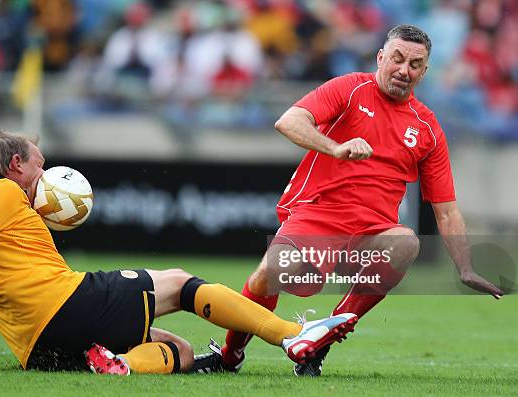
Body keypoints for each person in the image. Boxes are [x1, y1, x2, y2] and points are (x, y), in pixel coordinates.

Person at [196, 24, 505, 376]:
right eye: (397, 59)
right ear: (381, 58)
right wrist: (336, 148)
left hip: (371, 231)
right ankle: (229, 356)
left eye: (415, 64)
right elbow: (289, 121)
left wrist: (464, 267)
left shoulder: (428, 128)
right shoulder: (351, 87)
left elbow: (446, 210)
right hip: (319, 215)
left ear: (424, 71)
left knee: (406, 243)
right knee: (269, 273)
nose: (404, 70)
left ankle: (316, 346)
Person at [0, 131, 357, 375]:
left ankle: (118, 364)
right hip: (64, 306)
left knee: (181, 352)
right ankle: (291, 335)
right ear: (17, 164)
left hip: (39, 352)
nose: (45, 171)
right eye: (41, 164)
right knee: (178, 281)